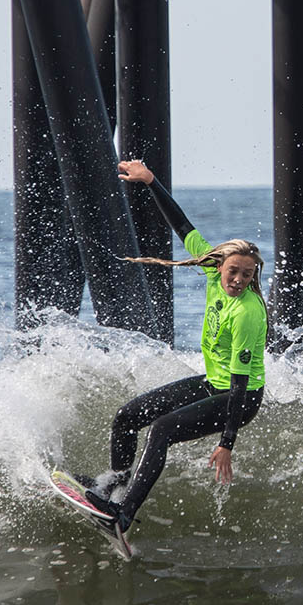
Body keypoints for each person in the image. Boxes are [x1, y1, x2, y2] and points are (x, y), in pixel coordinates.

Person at [81, 160, 267, 536]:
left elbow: (240, 382)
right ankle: (114, 486)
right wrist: (151, 181)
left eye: (247, 275)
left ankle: (123, 515)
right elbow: (182, 225)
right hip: (213, 381)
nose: (238, 279)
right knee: (127, 416)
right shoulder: (214, 272)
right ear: (221, 265)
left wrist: (227, 442)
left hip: (239, 396)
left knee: (162, 429)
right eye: (234, 271)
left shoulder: (248, 313)